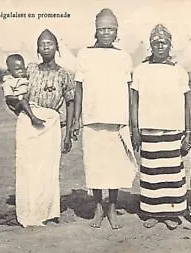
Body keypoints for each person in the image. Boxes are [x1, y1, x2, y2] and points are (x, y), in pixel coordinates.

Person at [73, 8, 137, 230]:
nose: (106, 33)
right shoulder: (85, 54)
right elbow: (79, 89)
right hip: (92, 119)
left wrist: (131, 121)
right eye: (102, 29)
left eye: (111, 29)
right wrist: (76, 118)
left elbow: (130, 92)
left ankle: (112, 207)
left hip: (117, 119)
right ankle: (98, 207)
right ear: (96, 31)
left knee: (115, 166)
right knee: (95, 166)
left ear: (117, 31)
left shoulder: (123, 56)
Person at [5, 29, 75, 227]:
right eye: (42, 43)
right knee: (27, 167)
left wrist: (68, 133)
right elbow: (13, 90)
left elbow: (70, 104)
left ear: (57, 47)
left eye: (50, 43)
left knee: (48, 168)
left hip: (51, 123)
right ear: (37, 48)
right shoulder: (31, 70)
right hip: (28, 120)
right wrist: (20, 111)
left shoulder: (65, 75)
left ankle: (46, 211)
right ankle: (29, 211)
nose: (46, 46)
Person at [130, 24, 191, 230]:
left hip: (173, 130)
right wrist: (135, 129)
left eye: (163, 42)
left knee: (172, 173)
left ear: (170, 45)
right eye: (155, 43)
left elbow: (186, 103)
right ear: (150, 45)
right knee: (152, 173)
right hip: (148, 130)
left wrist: (188, 133)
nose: (159, 46)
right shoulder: (140, 70)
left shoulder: (179, 72)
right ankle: (152, 212)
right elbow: (134, 102)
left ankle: (172, 213)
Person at [2, 54, 45, 126]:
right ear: (9, 71)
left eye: (22, 68)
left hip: (28, 100)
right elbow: (8, 97)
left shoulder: (25, 78)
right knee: (23, 101)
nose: (21, 71)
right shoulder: (8, 82)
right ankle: (33, 118)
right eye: (17, 69)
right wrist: (19, 98)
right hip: (17, 104)